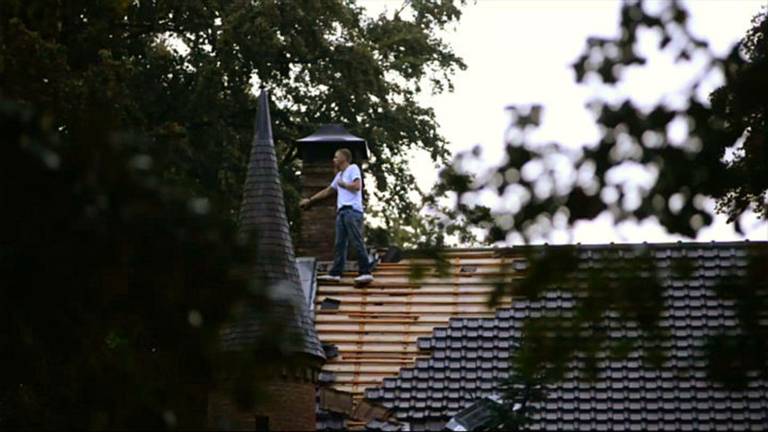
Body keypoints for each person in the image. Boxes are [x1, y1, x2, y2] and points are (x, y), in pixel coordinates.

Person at [299, 148, 374, 284]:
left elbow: (357, 186)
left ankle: (365, 272)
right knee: (339, 244)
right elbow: (328, 191)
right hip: (341, 213)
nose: (333, 159)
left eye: (336, 157)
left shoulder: (353, 168)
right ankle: (336, 273)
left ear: (344, 158)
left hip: (352, 211)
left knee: (356, 240)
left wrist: (344, 185)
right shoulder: (339, 175)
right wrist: (310, 200)